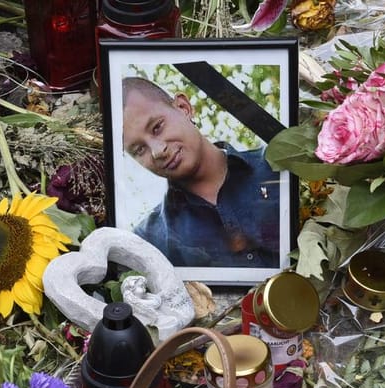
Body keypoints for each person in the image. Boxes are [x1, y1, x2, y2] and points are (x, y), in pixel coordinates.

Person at [120, 77, 282, 270]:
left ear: (183, 108)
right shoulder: (149, 243)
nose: (157, 151)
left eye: (157, 127)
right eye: (139, 150)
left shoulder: (278, 165)